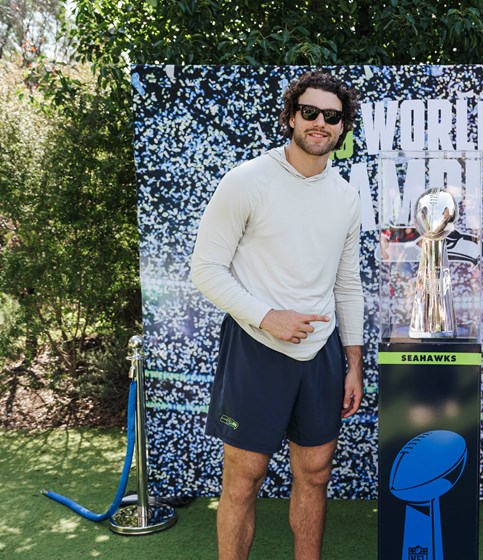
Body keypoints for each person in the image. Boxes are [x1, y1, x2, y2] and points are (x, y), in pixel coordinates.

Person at [191, 70, 364, 560]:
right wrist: (268, 317)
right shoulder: (247, 180)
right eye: (309, 112)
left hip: (322, 355)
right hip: (256, 348)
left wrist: (352, 362)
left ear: (341, 128)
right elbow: (205, 269)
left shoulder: (346, 196)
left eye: (332, 117)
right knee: (244, 481)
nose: (319, 123)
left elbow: (346, 285)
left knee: (315, 475)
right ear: (290, 116)